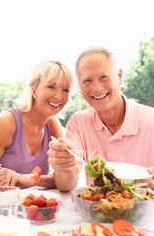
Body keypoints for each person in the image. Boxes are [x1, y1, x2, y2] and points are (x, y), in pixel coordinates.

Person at [48, 47, 154, 190]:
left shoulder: (150, 120)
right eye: (87, 81)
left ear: (119, 76)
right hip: (99, 211)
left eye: (103, 77)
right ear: (80, 87)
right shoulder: (79, 122)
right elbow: (66, 185)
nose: (97, 88)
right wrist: (63, 168)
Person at [0, 60, 73, 198]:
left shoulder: (53, 125)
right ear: (33, 89)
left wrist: (22, 178)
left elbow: (62, 181)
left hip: (27, 208)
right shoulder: (6, 122)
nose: (59, 96)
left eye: (65, 89)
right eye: (51, 87)